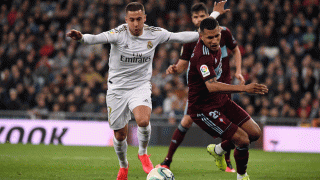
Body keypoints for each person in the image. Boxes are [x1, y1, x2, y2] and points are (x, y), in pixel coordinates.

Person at [67, 2, 221, 180]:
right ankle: (123, 165)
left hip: (140, 86)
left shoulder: (154, 33)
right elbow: (96, 38)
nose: (135, 23)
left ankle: (143, 153)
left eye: (139, 19)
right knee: (120, 134)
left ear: (144, 18)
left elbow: (182, 36)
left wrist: (210, 22)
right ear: (126, 20)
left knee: (143, 120)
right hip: (117, 89)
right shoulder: (119, 34)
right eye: (131, 20)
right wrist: (81, 38)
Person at [157, 1, 243, 173]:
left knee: (233, 126)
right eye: (195, 17)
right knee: (186, 121)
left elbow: (237, 50)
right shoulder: (191, 41)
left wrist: (238, 71)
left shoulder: (223, 32)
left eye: (202, 16)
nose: (198, 20)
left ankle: (227, 160)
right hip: (201, 91)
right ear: (192, 19)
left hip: (223, 87)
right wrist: (174, 69)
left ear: (208, 17)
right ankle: (167, 161)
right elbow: (182, 65)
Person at [187, 18, 268, 180]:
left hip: (220, 100)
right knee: (243, 140)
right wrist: (244, 88)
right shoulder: (201, 56)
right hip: (203, 108)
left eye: (217, 36)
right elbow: (212, 86)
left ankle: (218, 150)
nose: (215, 40)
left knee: (255, 133)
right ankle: (242, 176)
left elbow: (235, 49)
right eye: (210, 38)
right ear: (201, 37)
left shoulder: (222, 34)